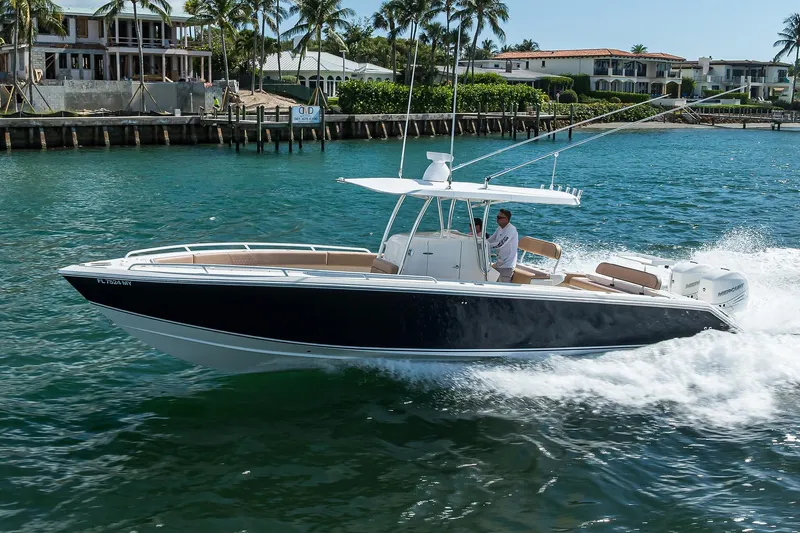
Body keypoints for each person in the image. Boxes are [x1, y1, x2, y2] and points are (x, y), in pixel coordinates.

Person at [487, 208, 519, 283]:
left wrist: (485, 246)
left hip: (507, 265)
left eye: (499, 218)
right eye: (497, 217)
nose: (497, 219)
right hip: (500, 263)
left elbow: (500, 244)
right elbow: (491, 239)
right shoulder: (499, 228)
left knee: (504, 288)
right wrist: (480, 242)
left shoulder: (511, 230)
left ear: (506, 219)